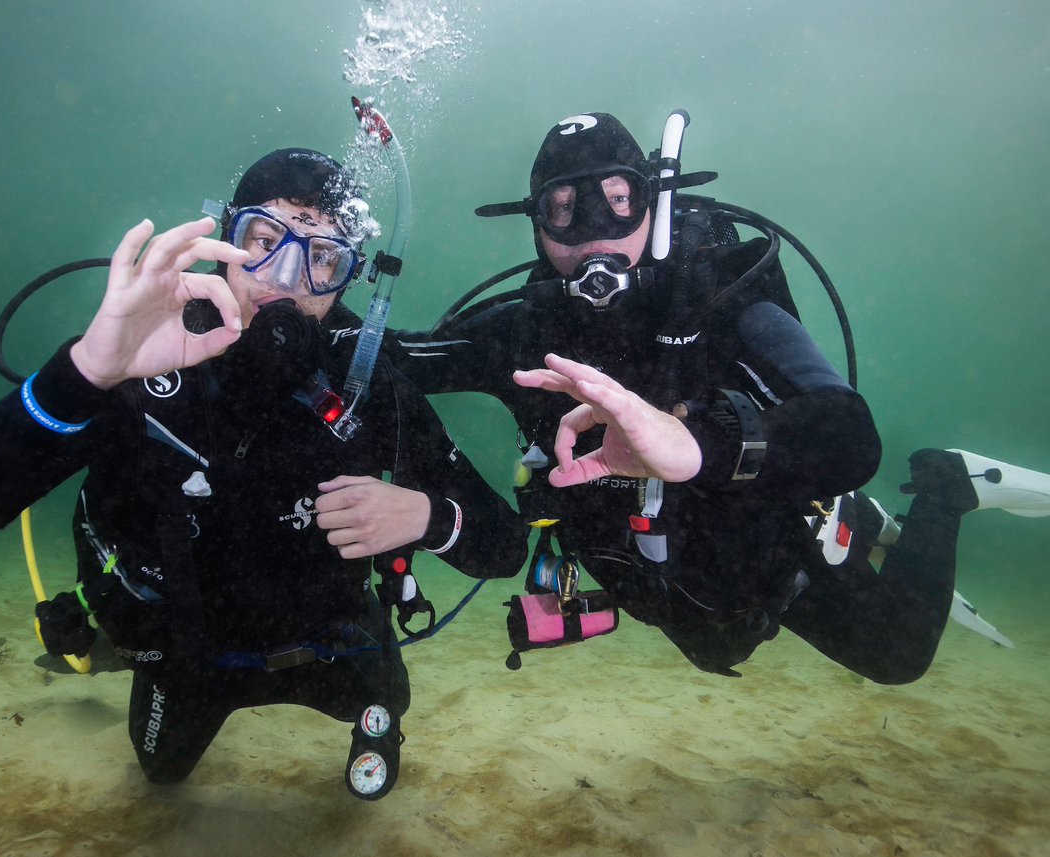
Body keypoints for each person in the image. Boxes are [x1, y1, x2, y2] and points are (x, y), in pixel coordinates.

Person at [0, 147, 527, 799]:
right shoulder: (143, 358)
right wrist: (88, 370)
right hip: (186, 657)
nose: (284, 279)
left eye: (322, 257)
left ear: (347, 279)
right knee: (161, 773)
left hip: (324, 642)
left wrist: (428, 518)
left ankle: (366, 709)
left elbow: (506, 548)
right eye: (264, 240)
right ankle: (105, 649)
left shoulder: (367, 385)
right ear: (224, 237)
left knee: (384, 696)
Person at [387, 112, 1050, 682]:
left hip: (765, 557)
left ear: (653, 202)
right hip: (672, 581)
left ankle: (946, 485)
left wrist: (699, 445)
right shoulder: (522, 334)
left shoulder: (719, 300)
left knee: (898, 654)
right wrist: (296, 304)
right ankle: (862, 522)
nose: (592, 228)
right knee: (714, 639)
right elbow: (392, 359)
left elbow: (848, 433)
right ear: (537, 226)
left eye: (617, 199)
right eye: (562, 207)